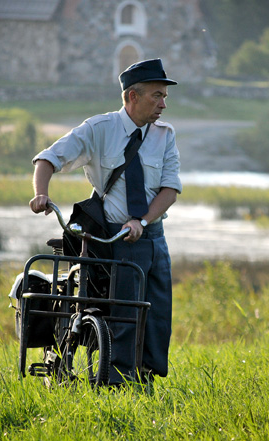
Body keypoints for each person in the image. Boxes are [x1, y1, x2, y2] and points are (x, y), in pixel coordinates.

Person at [29, 58, 182, 387]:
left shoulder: (164, 136)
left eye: (164, 96)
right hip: (115, 238)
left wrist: (142, 220)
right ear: (132, 96)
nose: (163, 104)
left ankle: (147, 378)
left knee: (157, 315)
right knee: (124, 312)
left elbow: (170, 189)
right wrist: (41, 194)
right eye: (157, 95)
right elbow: (48, 158)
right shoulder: (99, 130)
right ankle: (117, 383)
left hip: (152, 235)